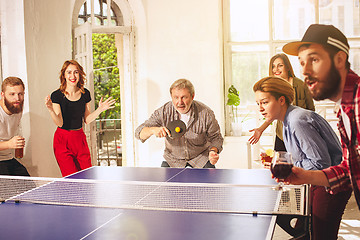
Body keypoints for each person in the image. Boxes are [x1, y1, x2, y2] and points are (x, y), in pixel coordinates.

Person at [253, 76, 352, 239]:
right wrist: (279, 162)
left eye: (264, 102)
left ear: (281, 100)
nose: (261, 108)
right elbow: (304, 156)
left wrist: (288, 167)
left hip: (331, 183)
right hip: (317, 181)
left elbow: (320, 162)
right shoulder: (286, 121)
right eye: (258, 104)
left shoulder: (298, 120)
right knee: (304, 230)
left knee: (322, 236)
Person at [45, 60, 116, 177]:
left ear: (79, 74)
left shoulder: (85, 94)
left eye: (76, 72)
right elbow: (60, 122)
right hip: (63, 140)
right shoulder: (57, 95)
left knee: (87, 177)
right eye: (69, 72)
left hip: (79, 138)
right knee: (72, 179)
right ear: (64, 75)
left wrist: (100, 110)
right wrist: (50, 109)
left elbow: (87, 119)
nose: (72, 76)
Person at [135, 78, 223, 168]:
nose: (180, 102)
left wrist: (213, 151)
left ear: (192, 96)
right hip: (173, 160)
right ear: (171, 97)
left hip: (200, 158)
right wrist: (153, 130)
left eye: (184, 97)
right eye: (176, 97)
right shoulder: (163, 112)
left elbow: (216, 138)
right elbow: (139, 133)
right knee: (163, 182)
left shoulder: (206, 113)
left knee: (212, 181)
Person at [249, 53, 315, 151]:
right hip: (282, 135)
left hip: (300, 134)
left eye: (280, 65)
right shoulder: (273, 89)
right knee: (279, 163)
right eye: (273, 66)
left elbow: (311, 112)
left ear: (287, 67)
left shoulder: (301, 85)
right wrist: (260, 129)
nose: (276, 69)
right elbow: (271, 113)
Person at [0, 77, 30, 176]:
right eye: (12, 94)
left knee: (30, 186)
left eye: (20, 94)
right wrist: (9, 144)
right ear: (2, 95)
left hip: (8, 157)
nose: (17, 98)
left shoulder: (17, 108)